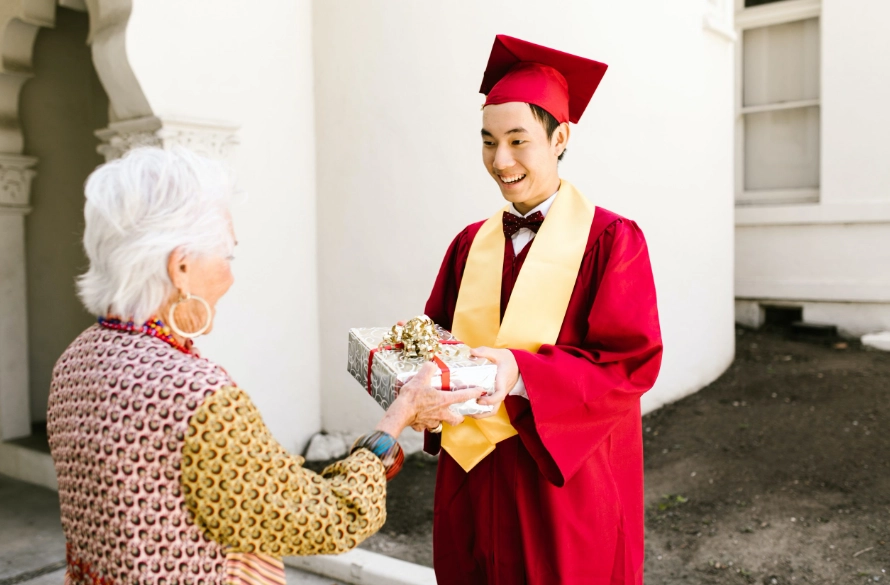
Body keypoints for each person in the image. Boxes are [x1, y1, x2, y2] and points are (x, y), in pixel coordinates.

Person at [46, 146, 482, 585]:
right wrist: (397, 419)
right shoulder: (196, 398)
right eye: (226, 256)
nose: (230, 277)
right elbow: (335, 517)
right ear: (180, 267)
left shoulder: (77, 360)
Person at [421, 35, 663, 584]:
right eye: (487, 142)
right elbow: (436, 334)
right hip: (473, 474)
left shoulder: (611, 240)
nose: (500, 161)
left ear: (560, 137)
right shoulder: (469, 243)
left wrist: (521, 373)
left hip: (560, 480)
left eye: (517, 140)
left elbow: (628, 363)